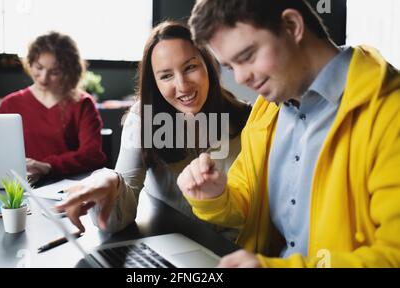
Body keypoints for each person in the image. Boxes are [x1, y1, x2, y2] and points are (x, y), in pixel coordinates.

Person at [177, 0, 400, 267]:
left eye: (246, 56)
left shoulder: (390, 113)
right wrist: (215, 195)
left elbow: (394, 256)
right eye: (229, 66)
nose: (240, 78)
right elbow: (250, 201)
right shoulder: (267, 108)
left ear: (292, 26)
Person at [55, 21, 251, 242]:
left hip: (238, 251)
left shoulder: (247, 117)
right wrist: (108, 179)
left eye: (190, 67)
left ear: (208, 64)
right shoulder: (142, 120)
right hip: (177, 247)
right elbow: (114, 221)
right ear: (154, 82)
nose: (183, 86)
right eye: (166, 76)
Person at [0, 32, 106, 183]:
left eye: (55, 72)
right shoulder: (10, 104)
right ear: (30, 63)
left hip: (68, 186)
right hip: (20, 184)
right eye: (38, 67)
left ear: (68, 72)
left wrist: (47, 166)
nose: (44, 77)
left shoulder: (83, 103)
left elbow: (92, 155)